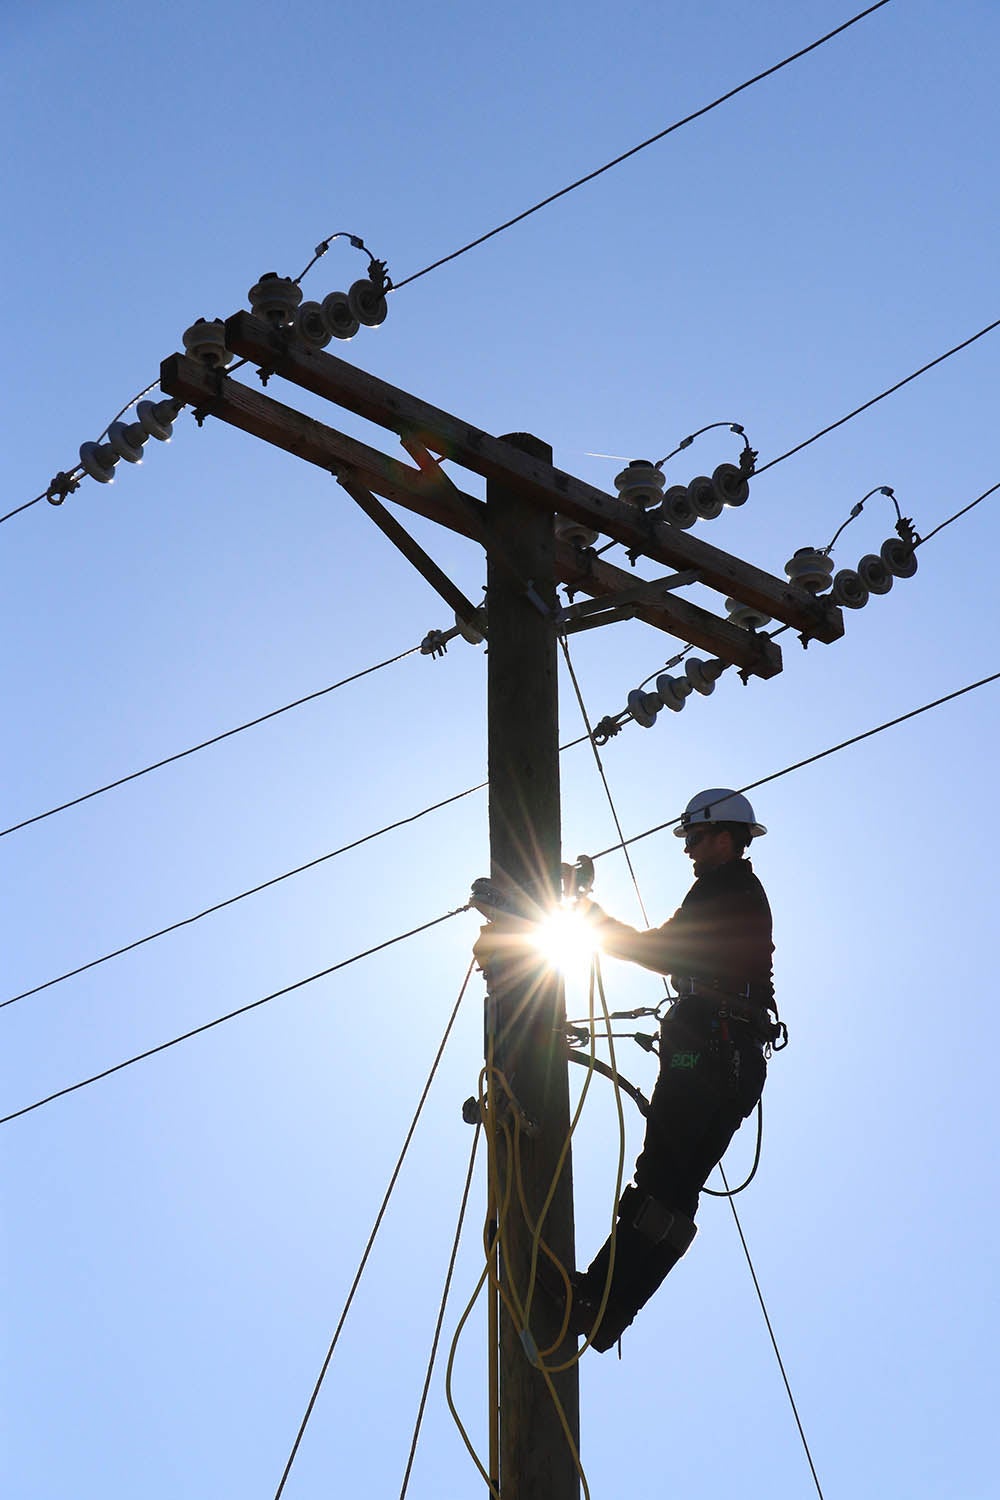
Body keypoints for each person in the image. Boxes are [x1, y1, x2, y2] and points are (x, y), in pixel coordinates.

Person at [569, 788, 779, 1352]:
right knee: (676, 1192)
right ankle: (612, 1311)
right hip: (737, 1063)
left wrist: (594, 923)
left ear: (724, 836)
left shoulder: (723, 887)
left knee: (660, 1176)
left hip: (704, 1049)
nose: (688, 851)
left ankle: (595, 1295)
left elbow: (667, 950)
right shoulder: (739, 892)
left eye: (694, 838)